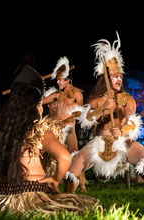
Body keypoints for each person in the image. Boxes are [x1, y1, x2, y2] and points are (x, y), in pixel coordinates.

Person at [0, 64, 99, 215]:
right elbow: (64, 158)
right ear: (34, 107)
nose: (42, 109)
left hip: (2, 196)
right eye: (40, 105)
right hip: (33, 195)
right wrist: (55, 180)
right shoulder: (38, 129)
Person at [63, 32, 144, 203]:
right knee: (71, 173)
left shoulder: (128, 99)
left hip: (123, 142)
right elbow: (87, 117)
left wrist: (123, 129)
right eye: (115, 76)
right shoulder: (96, 99)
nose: (119, 79)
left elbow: (133, 121)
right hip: (100, 143)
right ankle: (66, 202)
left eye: (120, 76)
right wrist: (103, 108)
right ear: (107, 78)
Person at [42, 56, 87, 192]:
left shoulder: (77, 94)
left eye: (61, 80)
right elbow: (41, 101)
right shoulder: (56, 94)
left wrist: (67, 121)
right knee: (50, 154)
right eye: (57, 79)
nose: (58, 82)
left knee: (74, 153)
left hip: (69, 128)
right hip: (55, 128)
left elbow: (80, 113)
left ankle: (82, 184)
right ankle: (47, 179)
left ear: (68, 80)